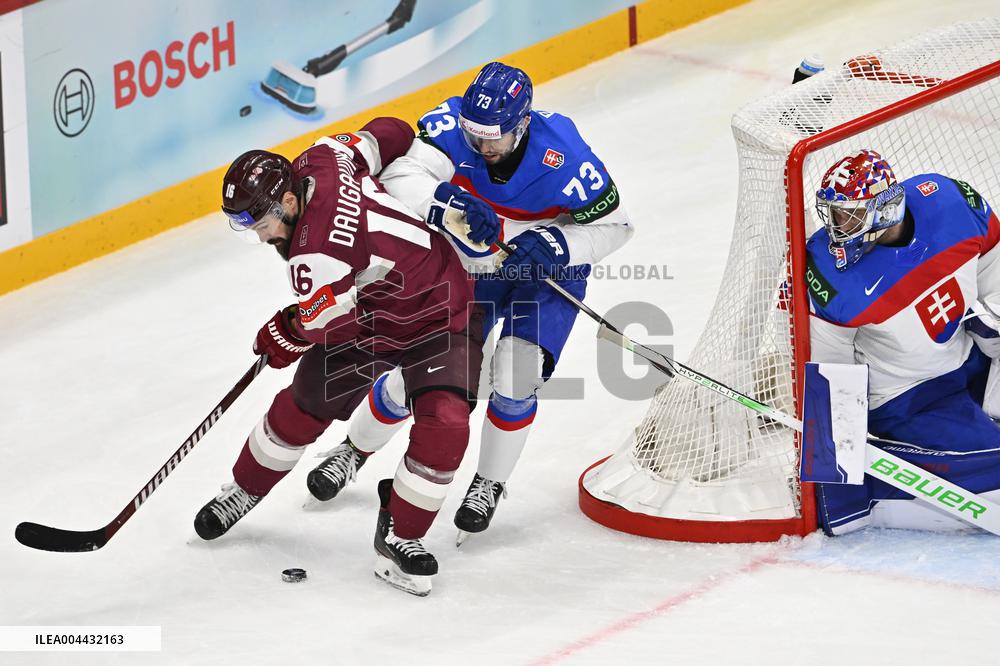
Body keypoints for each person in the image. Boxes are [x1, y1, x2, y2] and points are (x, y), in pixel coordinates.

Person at [305, 61, 634, 544]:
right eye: (473, 135)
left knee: (518, 373)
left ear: (522, 124)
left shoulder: (564, 156)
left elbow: (617, 226)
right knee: (437, 369)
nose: (482, 148)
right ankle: (354, 449)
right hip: (476, 266)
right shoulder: (447, 126)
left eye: (493, 139)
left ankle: (489, 482)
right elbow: (400, 172)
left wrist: (558, 244)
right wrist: (445, 201)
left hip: (545, 275)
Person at [193, 117, 499, 596]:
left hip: (438, 312)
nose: (258, 236)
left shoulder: (314, 255)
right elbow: (392, 132)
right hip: (391, 309)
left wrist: (285, 332)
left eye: (260, 223)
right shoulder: (323, 156)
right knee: (303, 408)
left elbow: (323, 325)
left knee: (446, 423)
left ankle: (402, 534)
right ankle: (247, 488)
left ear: (290, 202)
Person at [806, 149, 1000, 534]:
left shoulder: (951, 203)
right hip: (906, 399)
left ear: (886, 208)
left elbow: (994, 263)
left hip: (969, 359)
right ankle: (876, 488)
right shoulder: (828, 271)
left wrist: (995, 317)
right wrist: (837, 475)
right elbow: (830, 374)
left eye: (849, 215)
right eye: (833, 214)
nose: (836, 228)